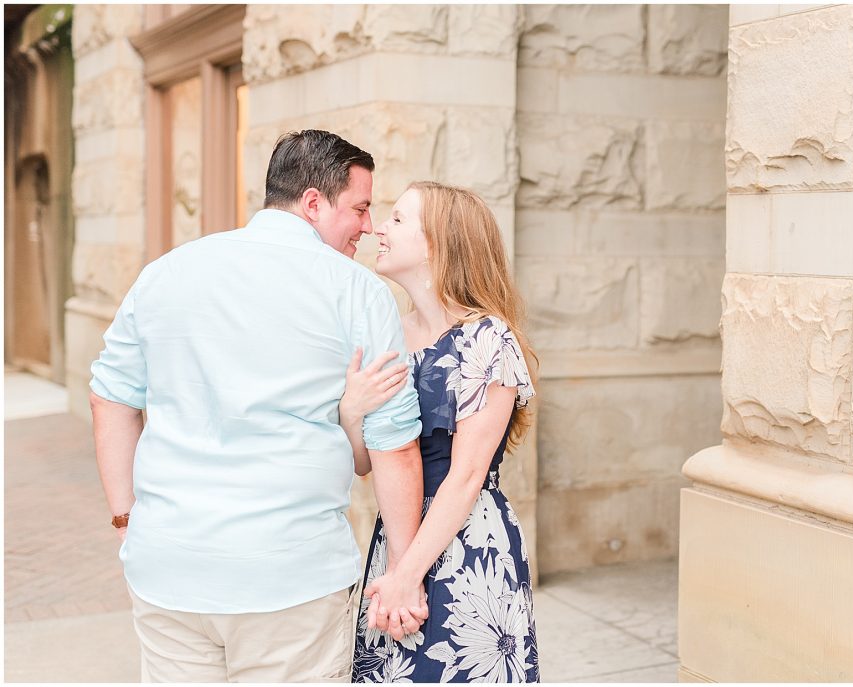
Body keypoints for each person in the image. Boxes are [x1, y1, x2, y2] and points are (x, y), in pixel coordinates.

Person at [89, 130, 428, 682]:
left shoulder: (165, 273)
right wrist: (403, 570)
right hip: (291, 577)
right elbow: (396, 447)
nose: (368, 227)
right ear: (313, 203)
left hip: (168, 567)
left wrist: (127, 519)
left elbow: (110, 397)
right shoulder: (357, 291)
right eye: (361, 208)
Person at [343, 182, 541, 682]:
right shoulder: (386, 335)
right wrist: (351, 411)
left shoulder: (489, 339)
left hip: (467, 542)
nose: (378, 229)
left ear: (439, 242)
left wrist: (406, 576)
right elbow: (365, 464)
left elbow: (468, 474)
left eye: (398, 219)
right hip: (396, 532)